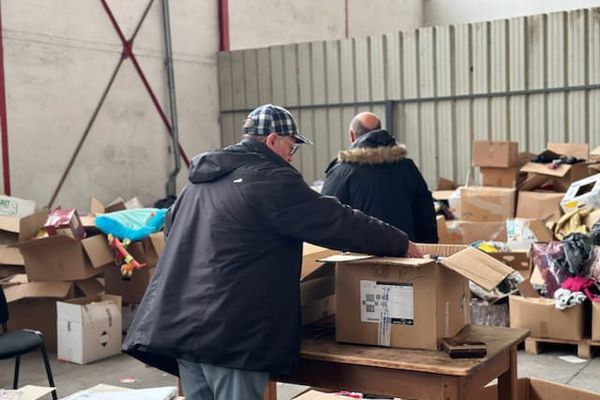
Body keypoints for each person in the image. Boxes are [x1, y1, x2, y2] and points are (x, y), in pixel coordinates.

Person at [122, 104, 421, 400]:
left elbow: (172, 235)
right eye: (291, 147)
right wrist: (398, 242)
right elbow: (334, 220)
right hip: (232, 338)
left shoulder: (197, 185)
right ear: (272, 140)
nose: (291, 157)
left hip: (184, 330)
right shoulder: (269, 179)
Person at [321, 112, 438, 243]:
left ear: (352, 135)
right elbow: (425, 214)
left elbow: (327, 217)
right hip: (406, 254)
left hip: (358, 258)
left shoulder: (341, 171)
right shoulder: (407, 168)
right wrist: (425, 250)